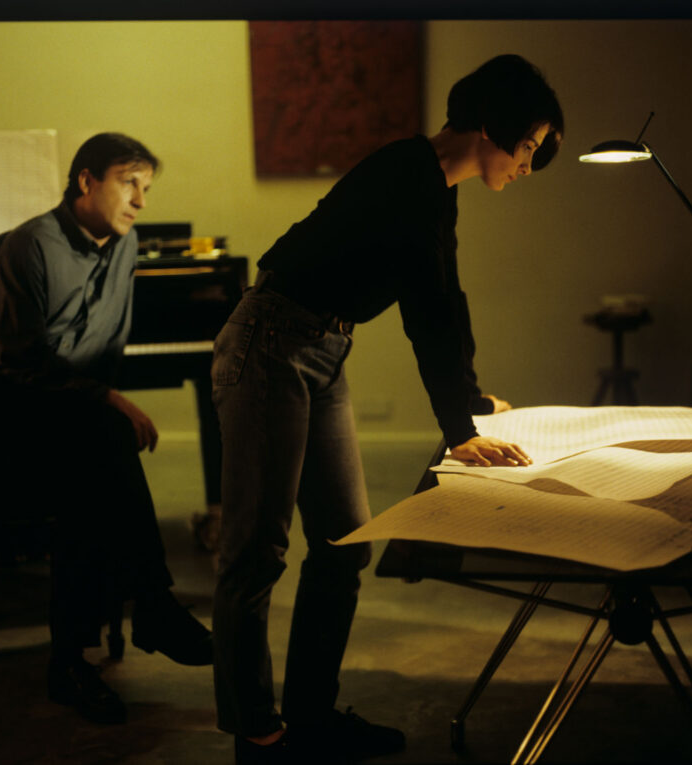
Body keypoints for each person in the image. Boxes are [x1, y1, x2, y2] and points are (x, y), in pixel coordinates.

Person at [210, 55, 564, 764]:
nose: (528, 167)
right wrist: (457, 430)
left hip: (324, 347)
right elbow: (427, 312)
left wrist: (465, 401)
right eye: (528, 148)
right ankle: (259, 732)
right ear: (494, 126)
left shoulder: (436, 184)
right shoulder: (411, 175)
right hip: (271, 341)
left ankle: (308, 716)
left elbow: (444, 295)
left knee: (345, 543)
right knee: (256, 552)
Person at [0, 133, 212, 726]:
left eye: (147, 187)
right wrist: (104, 399)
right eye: (128, 181)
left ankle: (73, 660)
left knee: (91, 471)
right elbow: (16, 363)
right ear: (86, 181)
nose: (140, 199)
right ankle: (150, 603)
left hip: (63, 408)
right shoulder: (26, 246)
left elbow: (103, 350)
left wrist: (97, 399)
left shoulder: (126, 243)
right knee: (99, 447)